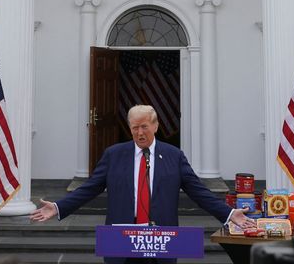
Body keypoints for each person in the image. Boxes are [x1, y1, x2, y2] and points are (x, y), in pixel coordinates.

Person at [30, 104, 255, 262]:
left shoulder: (173, 156)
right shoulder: (114, 155)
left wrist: (228, 213)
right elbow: (90, 188)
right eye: (134, 128)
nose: (139, 133)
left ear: (156, 125)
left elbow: (198, 192)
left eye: (144, 126)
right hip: (122, 240)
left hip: (160, 241)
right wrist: (59, 207)